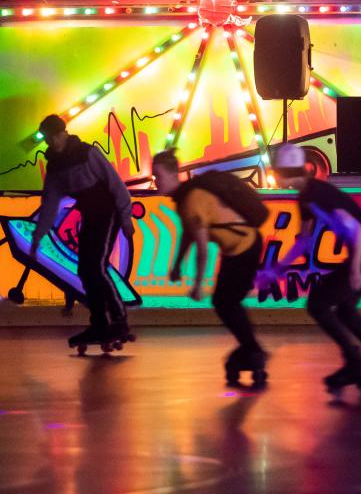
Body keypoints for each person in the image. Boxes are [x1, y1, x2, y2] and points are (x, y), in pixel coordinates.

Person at [257, 143, 361, 401]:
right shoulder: (305, 197)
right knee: (345, 310)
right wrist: (276, 271)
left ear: (283, 172)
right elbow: (304, 242)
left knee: (318, 303)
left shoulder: (317, 194)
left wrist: (356, 270)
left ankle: (358, 362)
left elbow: (356, 230)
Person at [151, 149, 268, 386]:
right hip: (237, 250)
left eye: (159, 176)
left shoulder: (191, 200)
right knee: (227, 302)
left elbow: (203, 250)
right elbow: (189, 234)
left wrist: (196, 285)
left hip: (245, 248)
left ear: (174, 175)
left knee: (225, 302)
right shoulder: (186, 199)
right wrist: (177, 265)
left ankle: (254, 351)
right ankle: (252, 350)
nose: (156, 182)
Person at [31, 114, 135, 352]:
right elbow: (49, 203)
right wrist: (37, 238)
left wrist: (126, 218)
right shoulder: (55, 166)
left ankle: (119, 320)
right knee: (85, 270)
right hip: (90, 216)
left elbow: (116, 185)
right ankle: (100, 323)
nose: (52, 143)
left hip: (108, 212)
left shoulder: (88, 153)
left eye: (54, 137)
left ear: (64, 133)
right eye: (48, 140)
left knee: (94, 268)